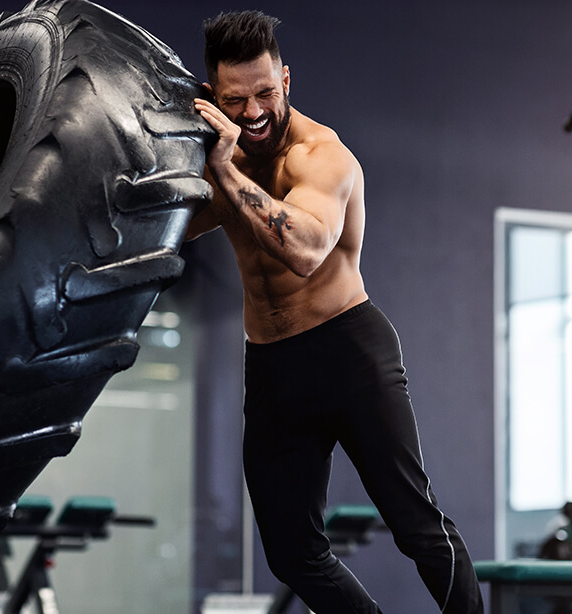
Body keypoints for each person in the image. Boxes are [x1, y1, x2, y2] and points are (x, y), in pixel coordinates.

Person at [185, 10, 484, 614]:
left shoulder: (322, 156)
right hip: (271, 366)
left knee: (416, 527)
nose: (253, 112)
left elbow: (304, 250)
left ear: (285, 80)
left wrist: (221, 170)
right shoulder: (225, 155)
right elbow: (173, 228)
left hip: (347, 352)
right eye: (235, 100)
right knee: (291, 552)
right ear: (214, 96)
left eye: (265, 93)